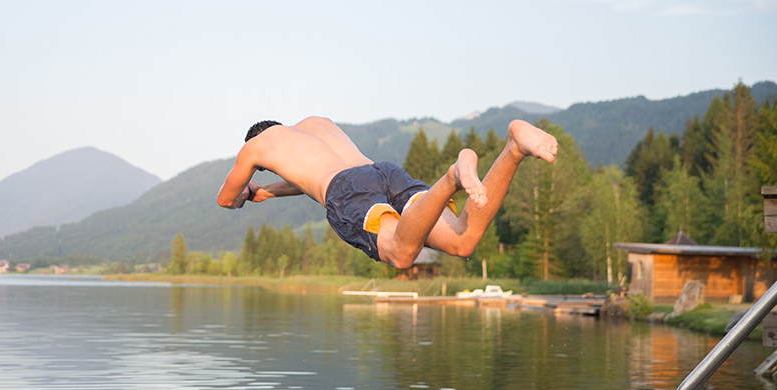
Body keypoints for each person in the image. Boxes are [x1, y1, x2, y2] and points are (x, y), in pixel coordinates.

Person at [217, 116, 558, 269]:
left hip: (347, 190)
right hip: (382, 172)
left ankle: (452, 176)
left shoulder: (256, 148)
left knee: (400, 254)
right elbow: (309, 178)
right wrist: (270, 192)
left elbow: (226, 200)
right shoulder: (316, 124)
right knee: (461, 240)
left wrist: (249, 188)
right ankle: (513, 147)